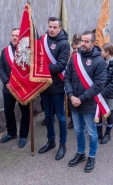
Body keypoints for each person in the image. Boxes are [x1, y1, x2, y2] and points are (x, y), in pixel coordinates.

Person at [64, 31, 107, 173]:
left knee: (91, 132)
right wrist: (70, 96)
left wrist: (80, 99)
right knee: (77, 130)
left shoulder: (99, 61)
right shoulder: (75, 57)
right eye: (82, 41)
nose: (83, 43)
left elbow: (99, 85)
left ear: (93, 43)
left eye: (87, 41)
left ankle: (92, 156)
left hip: (88, 104)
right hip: (74, 102)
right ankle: (81, 153)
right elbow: (67, 78)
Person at [38, 17, 70, 161]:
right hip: (44, 85)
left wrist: (40, 69)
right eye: (50, 26)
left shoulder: (64, 44)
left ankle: (62, 144)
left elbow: (60, 66)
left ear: (60, 29)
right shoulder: (42, 39)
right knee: (48, 116)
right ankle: (51, 141)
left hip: (57, 85)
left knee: (61, 117)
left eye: (54, 27)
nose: (51, 29)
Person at [0, 28, 30, 148]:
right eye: (13, 35)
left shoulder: (27, 52)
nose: (15, 37)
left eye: (17, 35)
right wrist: (6, 81)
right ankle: (11, 133)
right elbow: (0, 67)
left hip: (22, 88)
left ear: (21, 38)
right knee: (8, 111)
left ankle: (23, 135)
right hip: (8, 88)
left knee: (25, 112)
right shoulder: (5, 51)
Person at [96, 43, 113, 144]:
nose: (100, 52)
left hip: (109, 94)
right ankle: (98, 132)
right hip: (99, 93)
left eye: (102, 51)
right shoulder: (102, 62)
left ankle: (107, 134)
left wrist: (102, 93)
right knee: (98, 112)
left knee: (108, 113)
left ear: (107, 53)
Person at [67, 34, 82, 129]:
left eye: (77, 48)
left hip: (82, 86)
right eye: (74, 48)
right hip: (72, 86)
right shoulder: (71, 58)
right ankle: (73, 120)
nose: (75, 50)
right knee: (72, 105)